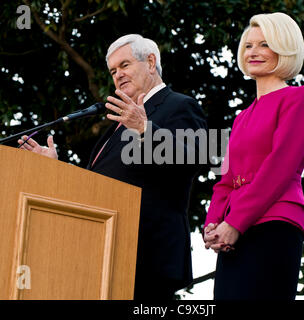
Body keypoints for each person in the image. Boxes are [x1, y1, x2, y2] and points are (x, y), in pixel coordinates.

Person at [18, 34, 207, 300]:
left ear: (151, 62)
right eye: (113, 71)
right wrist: (56, 169)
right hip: (104, 250)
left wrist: (145, 129)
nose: (118, 75)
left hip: (146, 254)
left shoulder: (179, 105)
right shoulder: (118, 123)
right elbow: (98, 184)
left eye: (125, 65)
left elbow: (194, 159)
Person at [203, 12, 304, 300]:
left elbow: (281, 166)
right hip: (233, 231)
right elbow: (226, 180)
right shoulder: (242, 117)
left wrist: (235, 222)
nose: (253, 52)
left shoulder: (300, 98)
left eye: (264, 44)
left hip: (275, 223)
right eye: (249, 45)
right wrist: (213, 224)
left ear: (284, 48)